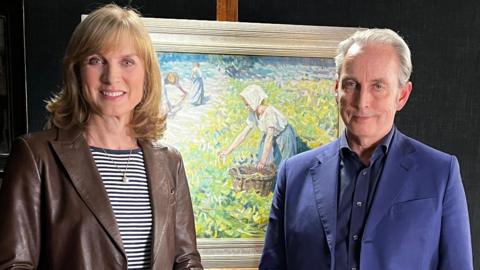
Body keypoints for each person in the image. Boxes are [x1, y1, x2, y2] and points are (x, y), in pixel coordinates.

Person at [0, 4, 203, 270]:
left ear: (147, 74)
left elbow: (186, 260)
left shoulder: (170, 162)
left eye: (127, 62)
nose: (112, 77)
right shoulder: (35, 156)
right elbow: (14, 266)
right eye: (96, 60)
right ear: (77, 71)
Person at [260, 28, 473, 270]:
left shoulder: (440, 173)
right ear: (337, 89)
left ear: (402, 95)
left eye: (378, 86)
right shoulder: (293, 174)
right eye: (352, 84)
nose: (362, 102)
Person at [219, 84, 299, 170]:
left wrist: (263, 161)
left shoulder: (269, 112)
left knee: (284, 165)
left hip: (284, 135)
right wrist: (228, 151)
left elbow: (269, 137)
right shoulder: (253, 114)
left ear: (254, 101)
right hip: (270, 136)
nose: (246, 107)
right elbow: (243, 135)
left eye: (247, 105)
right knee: (266, 163)